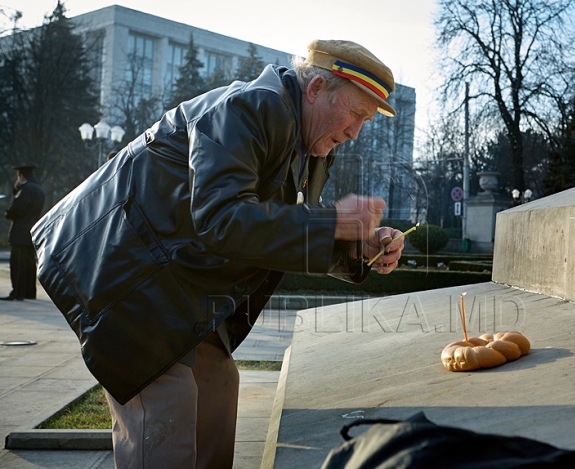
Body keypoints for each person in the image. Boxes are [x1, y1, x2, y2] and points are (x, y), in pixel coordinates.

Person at [31, 39, 406, 468]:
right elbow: (222, 220)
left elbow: (269, 233)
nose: (356, 131)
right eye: (356, 114)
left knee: (218, 382)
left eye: (366, 121)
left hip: (174, 278)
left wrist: (357, 249)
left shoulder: (311, 146)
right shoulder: (248, 108)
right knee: (166, 405)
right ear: (317, 87)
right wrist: (332, 222)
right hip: (123, 272)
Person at [2, 164, 45, 301]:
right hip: (32, 231)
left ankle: (17, 292)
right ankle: (29, 292)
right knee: (29, 263)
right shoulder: (39, 189)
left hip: (20, 232)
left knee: (18, 263)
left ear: (21, 176)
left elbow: (18, 207)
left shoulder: (25, 189)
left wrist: (8, 213)